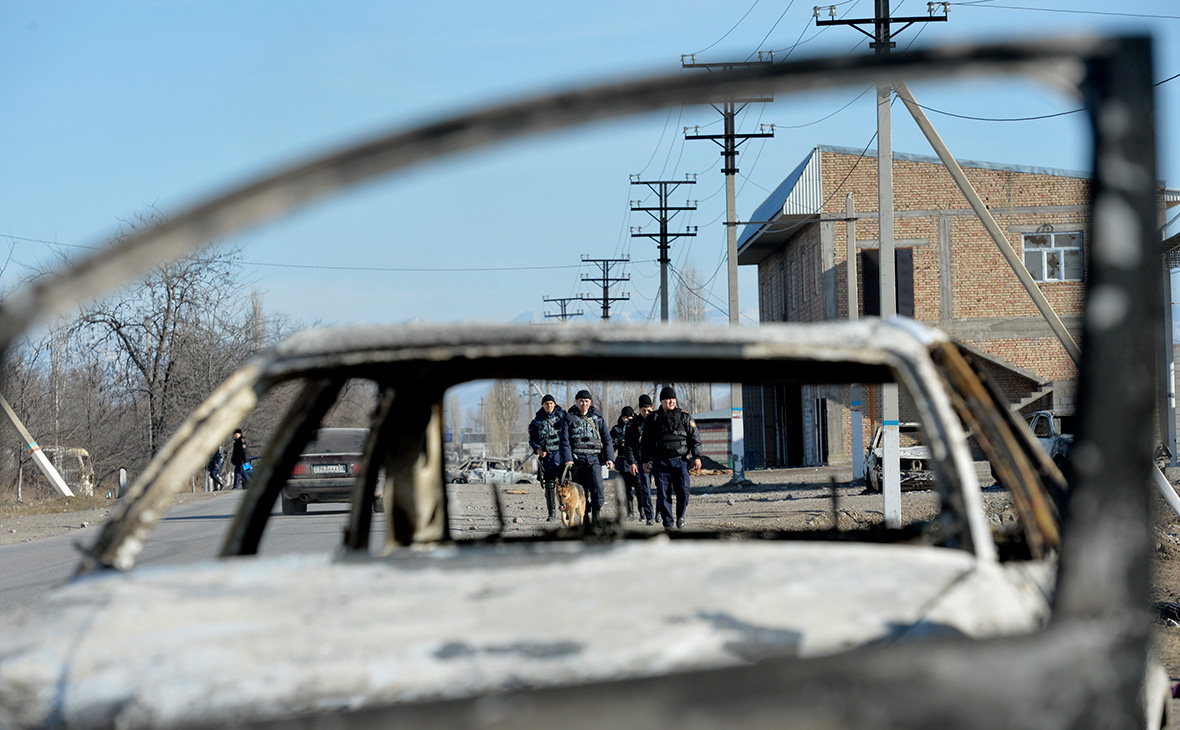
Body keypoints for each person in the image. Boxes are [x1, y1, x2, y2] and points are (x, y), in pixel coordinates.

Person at [641, 386, 702, 530]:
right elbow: (645, 442)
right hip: (660, 462)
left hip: (680, 461)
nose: (671, 401)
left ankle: (680, 515)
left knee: (684, 490)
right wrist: (644, 460)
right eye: (668, 399)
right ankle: (668, 523)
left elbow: (695, 438)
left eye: (673, 399)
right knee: (663, 493)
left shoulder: (684, 417)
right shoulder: (653, 419)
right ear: (661, 401)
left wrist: (697, 456)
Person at [558, 389, 614, 527]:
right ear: (576, 402)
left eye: (586, 401)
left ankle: (596, 515)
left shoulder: (598, 418)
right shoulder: (568, 418)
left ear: (590, 402)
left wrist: (610, 458)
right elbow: (564, 441)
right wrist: (568, 459)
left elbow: (607, 439)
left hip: (594, 460)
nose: (584, 404)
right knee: (580, 492)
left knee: (597, 489)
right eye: (581, 401)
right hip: (576, 462)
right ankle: (585, 515)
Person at [528, 394, 565, 521]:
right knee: (549, 486)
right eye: (546, 403)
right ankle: (552, 513)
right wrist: (538, 449)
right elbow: (532, 439)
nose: (549, 406)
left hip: (561, 456)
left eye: (551, 403)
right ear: (542, 405)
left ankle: (565, 511)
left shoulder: (563, 417)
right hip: (547, 457)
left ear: (554, 404)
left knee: (564, 485)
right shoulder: (537, 422)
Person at [622, 394, 655, 525]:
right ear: (640, 410)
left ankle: (659, 513)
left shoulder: (657, 421)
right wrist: (632, 462)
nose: (646, 413)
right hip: (642, 461)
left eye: (649, 410)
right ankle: (649, 516)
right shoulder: (633, 426)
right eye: (643, 410)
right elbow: (628, 446)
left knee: (663, 488)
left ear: (652, 408)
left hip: (657, 460)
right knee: (645, 489)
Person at [610, 406, 636, 519]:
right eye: (625, 417)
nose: (626, 419)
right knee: (626, 489)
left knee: (640, 489)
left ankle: (643, 512)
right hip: (622, 461)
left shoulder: (636, 426)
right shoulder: (616, 429)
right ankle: (630, 512)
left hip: (635, 461)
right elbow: (610, 444)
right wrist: (618, 442)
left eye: (629, 417)